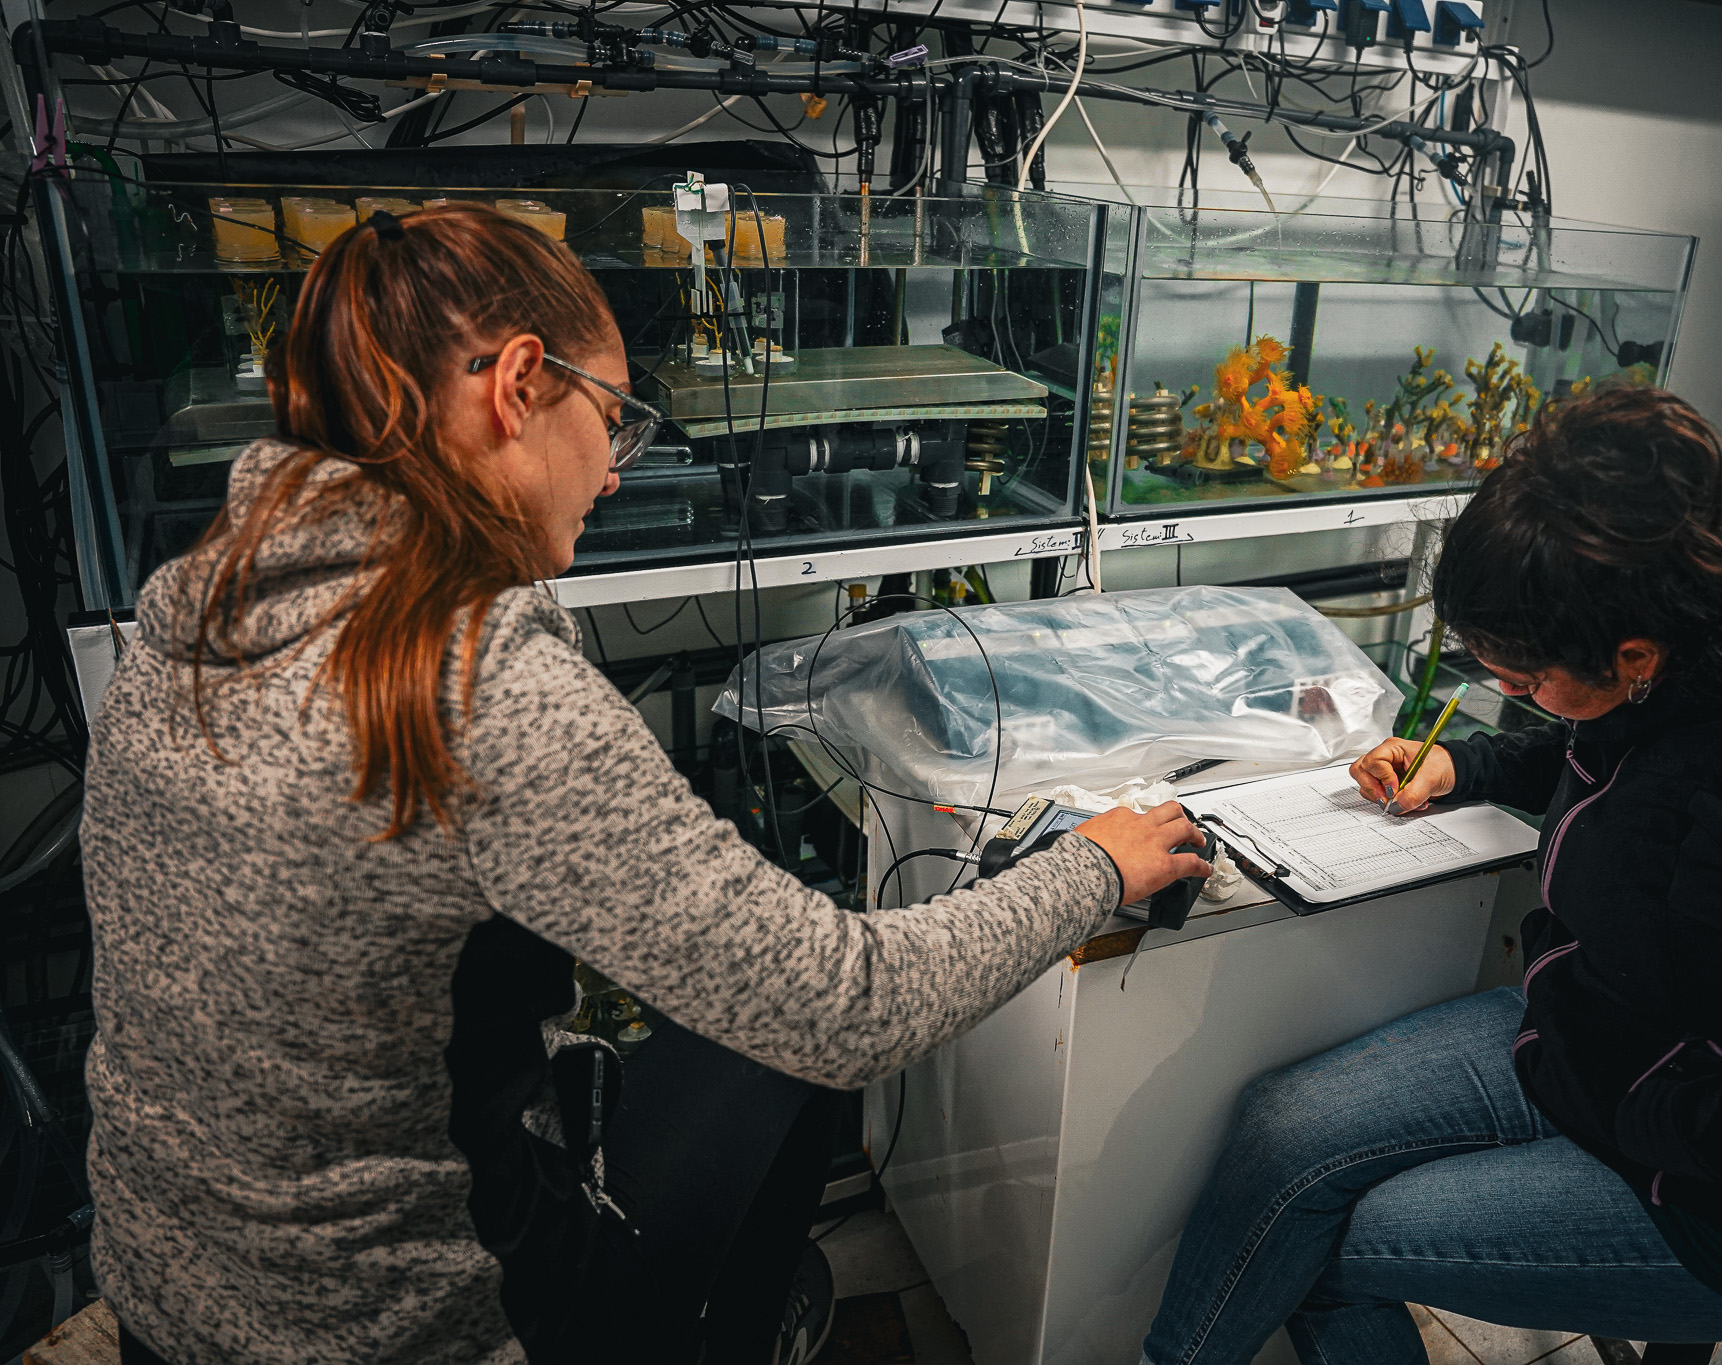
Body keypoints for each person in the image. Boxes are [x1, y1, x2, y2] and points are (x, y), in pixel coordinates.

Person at [77, 204, 1210, 1365]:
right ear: (519, 385)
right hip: (410, 1329)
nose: (616, 472)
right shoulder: (478, 687)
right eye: (612, 417)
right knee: (786, 1049)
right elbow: (849, 1006)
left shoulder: (193, 612)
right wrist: (1092, 867)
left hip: (174, 1302)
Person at [1139, 385, 1722, 1364]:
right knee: (1281, 1130)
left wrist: (1667, 1120)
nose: (1510, 692)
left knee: (1325, 1249)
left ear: (1633, 655)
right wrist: (1463, 764)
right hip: (1588, 1040)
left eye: (1525, 681)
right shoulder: (1684, 648)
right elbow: (1624, 759)